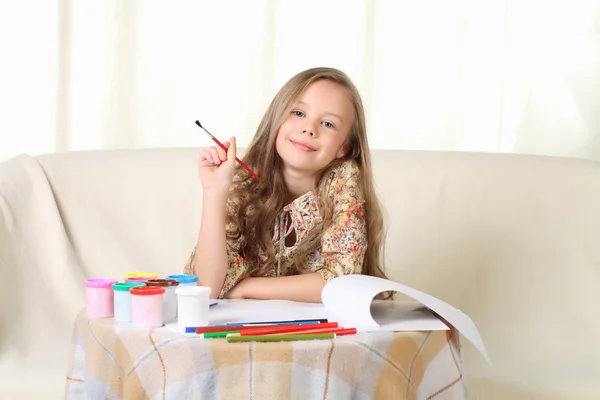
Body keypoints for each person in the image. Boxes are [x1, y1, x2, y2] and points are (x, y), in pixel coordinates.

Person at [184, 67, 388, 302]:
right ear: (276, 119)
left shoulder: (343, 179)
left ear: (345, 147)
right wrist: (213, 193)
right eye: (299, 113)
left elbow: (343, 280)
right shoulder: (242, 184)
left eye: (328, 124)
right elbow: (206, 288)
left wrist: (247, 288)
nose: (309, 128)